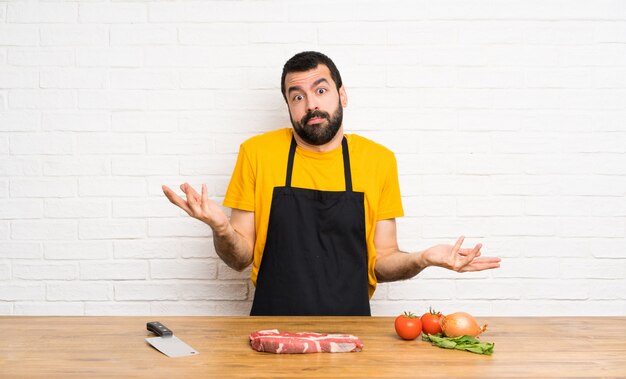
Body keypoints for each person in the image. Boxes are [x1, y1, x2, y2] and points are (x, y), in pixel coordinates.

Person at [162, 51, 501, 316]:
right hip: (271, 326)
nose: (311, 104)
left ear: (342, 94)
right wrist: (222, 230)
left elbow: (382, 262)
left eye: (320, 90)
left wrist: (424, 257)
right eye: (297, 96)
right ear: (288, 106)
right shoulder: (257, 153)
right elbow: (240, 259)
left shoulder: (378, 160)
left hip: (350, 327)